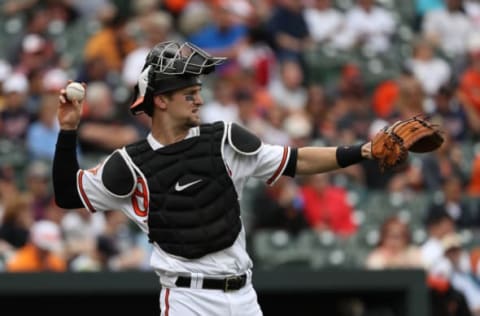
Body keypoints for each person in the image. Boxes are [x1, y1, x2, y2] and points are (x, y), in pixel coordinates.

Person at [52, 40, 374, 315]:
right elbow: (68, 194)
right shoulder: (128, 165)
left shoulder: (224, 140)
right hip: (187, 299)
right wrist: (68, 130)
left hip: (244, 296)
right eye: (189, 93)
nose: (200, 100)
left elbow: (296, 159)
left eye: (198, 91)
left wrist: (362, 151)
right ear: (161, 100)